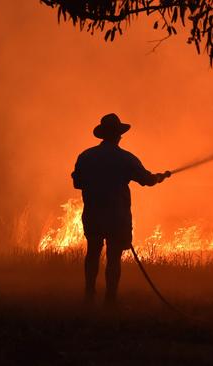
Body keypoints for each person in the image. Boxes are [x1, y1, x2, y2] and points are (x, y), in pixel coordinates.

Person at [71, 113, 171, 306]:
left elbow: (77, 183)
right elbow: (146, 180)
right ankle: (110, 300)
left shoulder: (85, 156)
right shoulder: (125, 158)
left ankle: (89, 295)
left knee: (92, 253)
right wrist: (160, 177)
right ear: (118, 136)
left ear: (102, 135)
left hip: (92, 214)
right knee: (114, 258)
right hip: (117, 216)